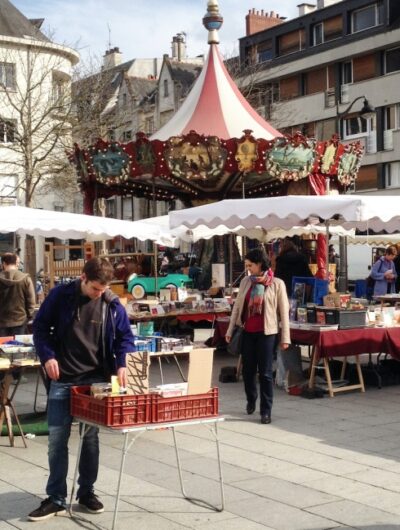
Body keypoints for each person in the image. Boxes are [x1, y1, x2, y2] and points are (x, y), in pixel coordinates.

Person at [28, 257, 135, 522]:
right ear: (83, 278)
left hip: (95, 381)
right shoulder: (61, 295)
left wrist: (123, 363)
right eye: (95, 289)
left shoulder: (111, 305)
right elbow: (40, 328)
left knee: (90, 440)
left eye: (103, 289)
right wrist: (48, 356)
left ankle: (86, 491)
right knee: (56, 440)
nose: (99, 293)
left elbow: (125, 339)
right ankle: (55, 497)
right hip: (64, 378)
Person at [225, 248, 290, 425]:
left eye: (250, 265)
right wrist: (230, 330)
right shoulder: (247, 281)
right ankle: (251, 398)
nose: (248, 269)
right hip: (247, 332)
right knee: (247, 371)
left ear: (260, 264)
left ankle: (266, 411)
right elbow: (237, 308)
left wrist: (286, 338)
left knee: (266, 374)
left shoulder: (277, 284)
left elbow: (283, 313)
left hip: (267, 334)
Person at [0, 252, 35, 336]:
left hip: (1, 322)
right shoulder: (25, 278)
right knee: (18, 347)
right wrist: (29, 315)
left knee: (2, 347)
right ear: (16, 263)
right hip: (20, 321)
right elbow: (31, 300)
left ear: (3, 263)